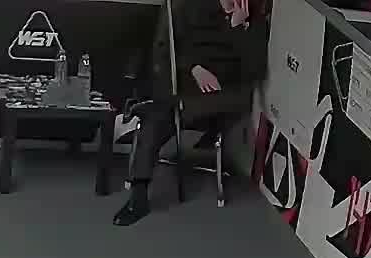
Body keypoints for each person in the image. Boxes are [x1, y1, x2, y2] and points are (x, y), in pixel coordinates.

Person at [113, 0, 267, 226]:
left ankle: (153, 111)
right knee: (155, 119)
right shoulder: (191, 7)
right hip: (185, 88)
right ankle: (138, 195)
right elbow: (169, 50)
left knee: (162, 112)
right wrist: (195, 68)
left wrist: (237, 28)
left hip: (223, 96)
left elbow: (254, 70)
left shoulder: (253, 18)